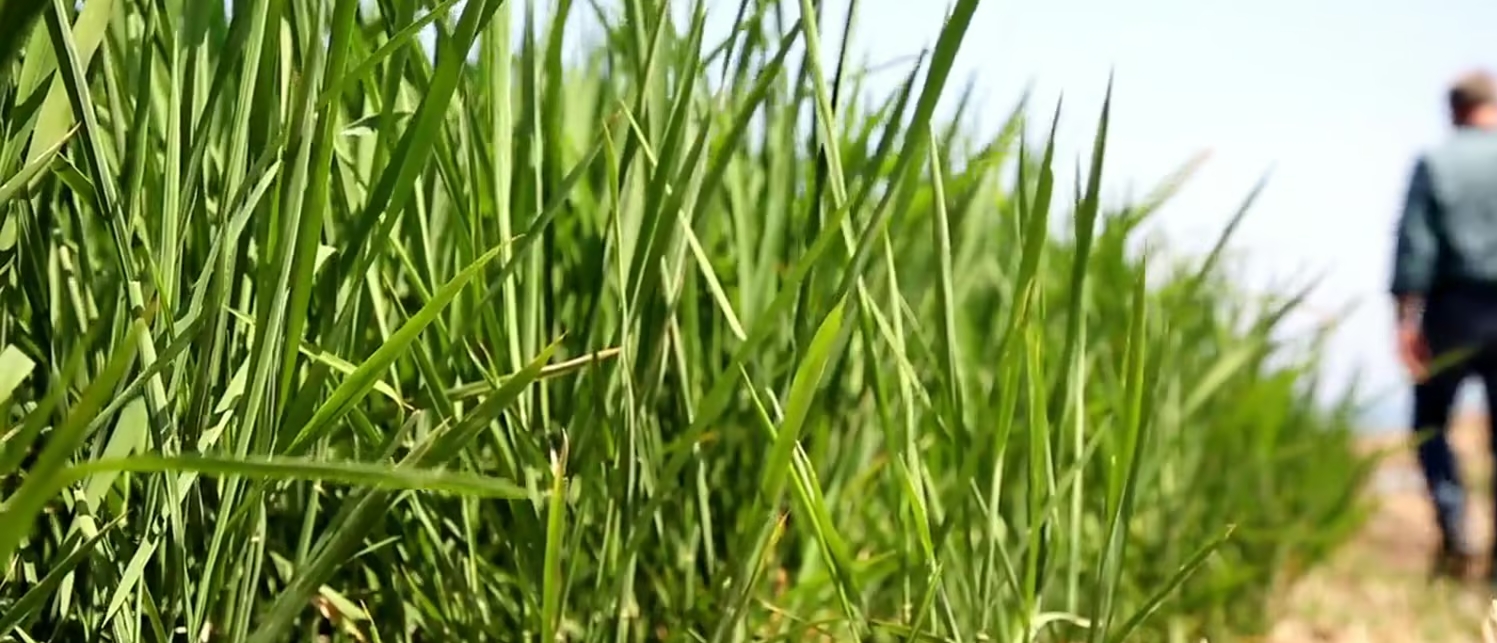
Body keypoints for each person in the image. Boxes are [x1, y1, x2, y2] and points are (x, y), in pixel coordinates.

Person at [1391, 68, 1497, 583]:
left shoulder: (1435, 163)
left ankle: (1456, 528)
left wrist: (1405, 320)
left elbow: (1415, 243)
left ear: (1453, 110)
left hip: (1452, 309)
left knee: (1431, 424)